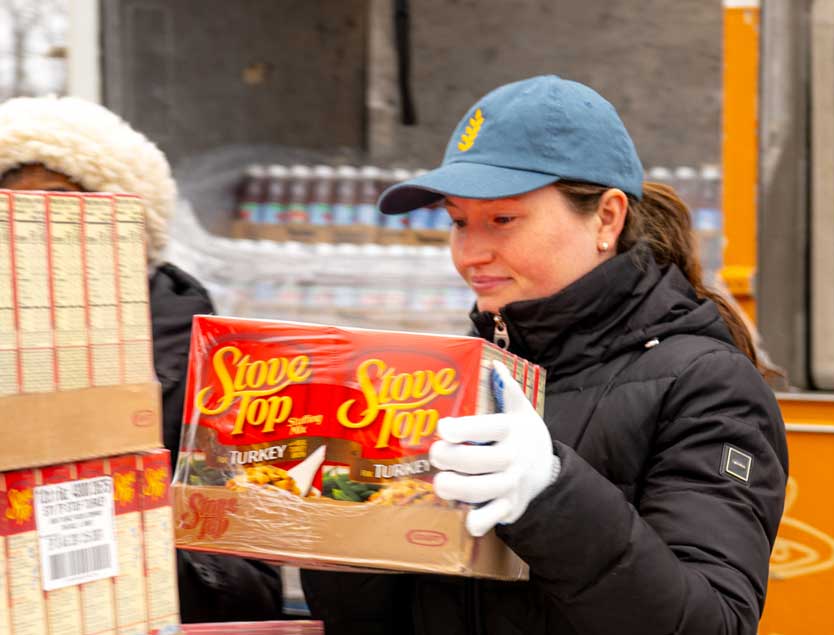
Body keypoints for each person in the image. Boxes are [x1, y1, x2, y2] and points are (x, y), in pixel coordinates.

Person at [301, 75, 788, 634]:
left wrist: (551, 495)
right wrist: (340, 525)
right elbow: (371, 619)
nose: (471, 253)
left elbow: (714, 623)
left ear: (607, 218)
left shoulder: (706, 386)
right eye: (458, 222)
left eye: (502, 219)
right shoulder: (460, 379)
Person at [0, 95, 283, 624]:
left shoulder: (201, 352)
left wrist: (132, 543)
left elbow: (251, 586)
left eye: (59, 202)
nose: (31, 225)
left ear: (124, 221)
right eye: (8, 207)